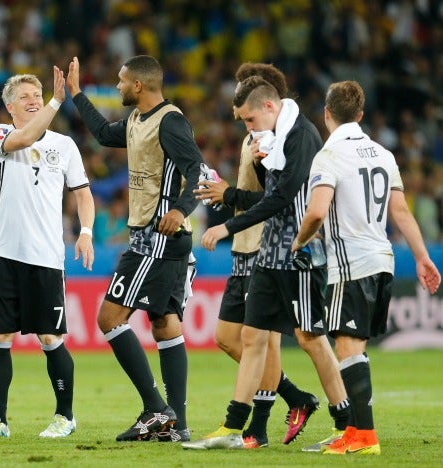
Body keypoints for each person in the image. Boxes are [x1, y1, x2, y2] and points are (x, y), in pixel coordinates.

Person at [183, 75, 350, 450]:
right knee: (251, 338)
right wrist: (261, 164)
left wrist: (227, 226)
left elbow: (282, 199)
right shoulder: (274, 140)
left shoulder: (302, 136)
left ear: (269, 107)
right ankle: (233, 428)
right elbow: (271, 190)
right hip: (269, 254)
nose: (247, 128)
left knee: (311, 339)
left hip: (302, 254)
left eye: (249, 120)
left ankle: (346, 424)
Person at [291, 80, 441, 455]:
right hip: (383, 260)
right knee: (352, 345)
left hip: (352, 263)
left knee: (347, 346)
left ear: (327, 113)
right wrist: (423, 257)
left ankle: (365, 436)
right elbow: (401, 211)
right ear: (360, 115)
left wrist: (299, 241)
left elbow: (316, 212)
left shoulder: (328, 157)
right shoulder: (383, 154)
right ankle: (355, 430)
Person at [67, 55, 203, 442]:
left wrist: (179, 208)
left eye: (121, 81)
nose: (117, 87)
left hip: (158, 238)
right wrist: (76, 95)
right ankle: (177, 425)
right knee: (164, 323)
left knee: (109, 318)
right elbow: (103, 134)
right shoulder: (135, 121)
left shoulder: (171, 121)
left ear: (139, 86)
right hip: (158, 239)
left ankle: (157, 408)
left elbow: (198, 170)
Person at [0, 67, 94, 439]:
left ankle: (65, 416)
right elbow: (25, 138)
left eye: (38, 95)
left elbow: (83, 194)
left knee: (49, 338)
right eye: (25, 96)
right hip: (4, 253)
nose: (33, 100)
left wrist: (86, 232)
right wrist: (59, 100)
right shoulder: (0, 134)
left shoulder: (65, 145)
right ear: (9, 106)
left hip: (45, 257)